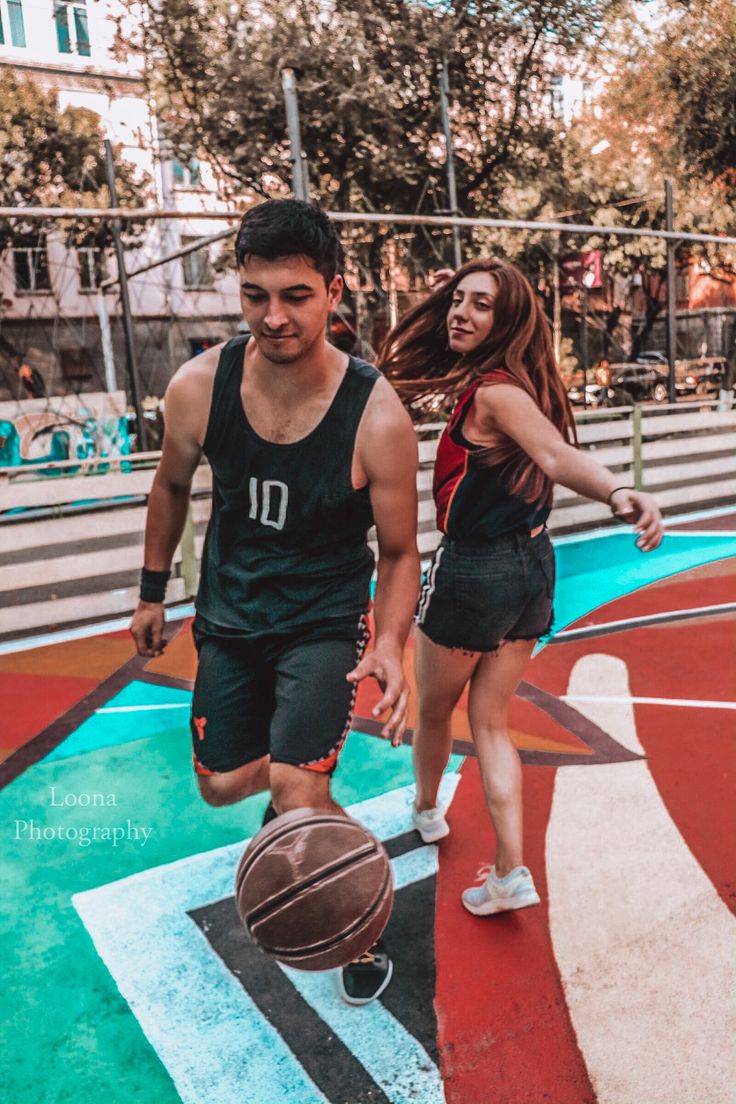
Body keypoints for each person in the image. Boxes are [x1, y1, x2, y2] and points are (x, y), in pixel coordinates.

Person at [130, 199, 420, 1001]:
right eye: (256, 295)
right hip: (229, 615)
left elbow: (399, 552)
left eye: (295, 295)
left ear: (334, 291)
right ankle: (308, 806)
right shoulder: (199, 386)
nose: (274, 316)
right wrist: (152, 593)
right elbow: (170, 486)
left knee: (298, 789)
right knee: (223, 784)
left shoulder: (377, 416)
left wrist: (390, 644)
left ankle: (355, 918)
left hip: (325, 622)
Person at [378, 258, 663, 916]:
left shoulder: (496, 395)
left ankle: (426, 811)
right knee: (492, 721)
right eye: (457, 299)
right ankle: (509, 874)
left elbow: (560, 460)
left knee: (433, 710)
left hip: (475, 571)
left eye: (481, 305)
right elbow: (555, 453)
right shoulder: (523, 387)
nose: (460, 312)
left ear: (506, 321)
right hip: (534, 569)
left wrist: (619, 490)